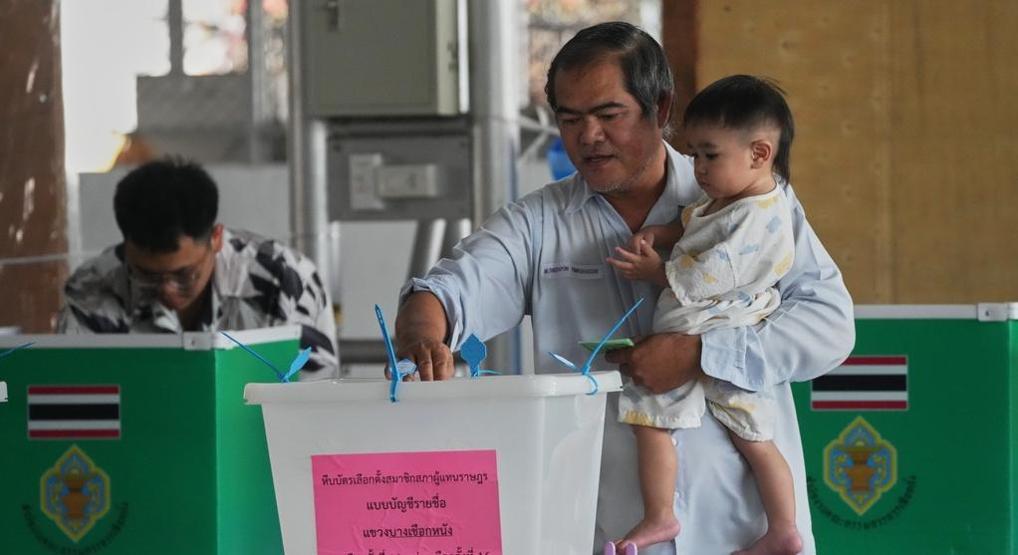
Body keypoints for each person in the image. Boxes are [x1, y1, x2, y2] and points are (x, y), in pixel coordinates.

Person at [395, 21, 853, 554]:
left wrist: (701, 354)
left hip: (745, 532)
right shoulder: (538, 224)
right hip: (610, 534)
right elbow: (447, 293)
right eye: (569, 119)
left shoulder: (753, 205)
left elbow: (830, 327)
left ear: (660, 110)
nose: (587, 137)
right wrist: (423, 335)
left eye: (608, 115)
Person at [604, 75, 803, 553]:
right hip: (713, 331)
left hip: (711, 331)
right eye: (692, 154)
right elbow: (693, 221)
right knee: (753, 436)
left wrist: (656, 272)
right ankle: (780, 528)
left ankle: (661, 517)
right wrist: (662, 231)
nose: (697, 168)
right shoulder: (732, 199)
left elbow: (706, 276)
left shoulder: (762, 216)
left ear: (759, 154)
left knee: (650, 418)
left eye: (709, 155)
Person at [58, 157, 339, 377]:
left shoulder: (283, 280)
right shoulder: (93, 290)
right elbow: (75, 396)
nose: (168, 291)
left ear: (216, 238)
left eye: (184, 274)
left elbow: (316, 397)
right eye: (147, 275)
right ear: (126, 247)